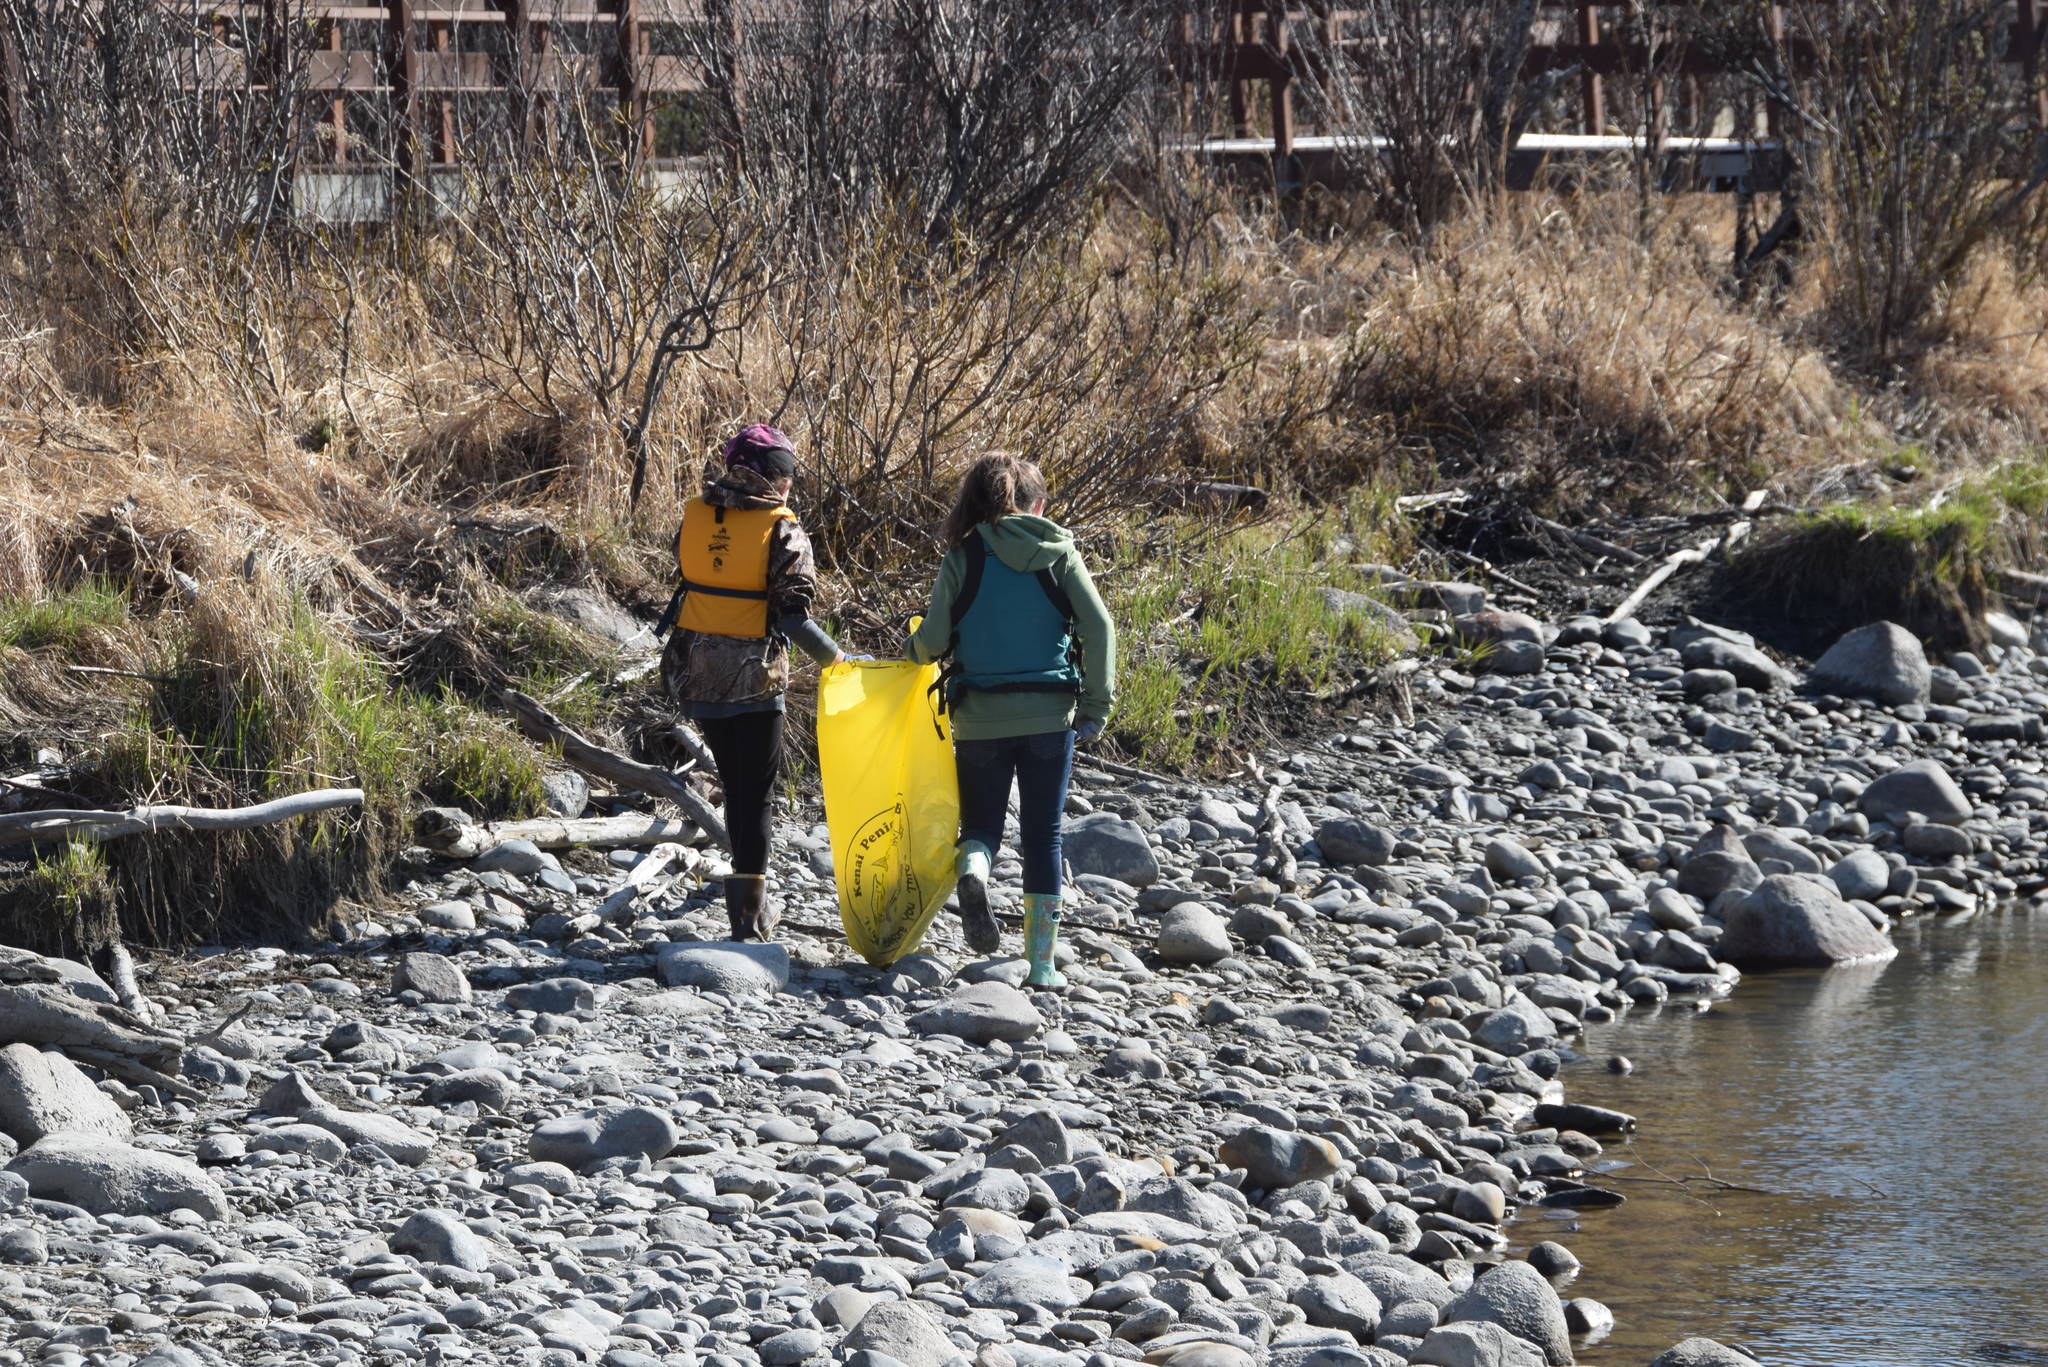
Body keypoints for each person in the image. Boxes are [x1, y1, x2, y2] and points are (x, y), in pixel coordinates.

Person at [907, 454, 1116, 987]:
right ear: (1038, 505)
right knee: (1043, 835)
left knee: (980, 828)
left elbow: (931, 643)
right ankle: (1042, 965)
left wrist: (909, 648)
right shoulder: (1059, 554)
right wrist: (1095, 706)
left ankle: (974, 872)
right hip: (1050, 717)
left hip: (979, 718)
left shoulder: (963, 557)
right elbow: (1099, 627)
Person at [661, 424, 845, 942]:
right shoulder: (783, 529)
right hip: (756, 680)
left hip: (693, 672)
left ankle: (748, 914)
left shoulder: (696, 515)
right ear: (769, 475)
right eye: (785, 472)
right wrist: (838, 660)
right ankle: (747, 923)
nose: (790, 483)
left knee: (737, 787)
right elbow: (792, 617)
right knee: (754, 794)